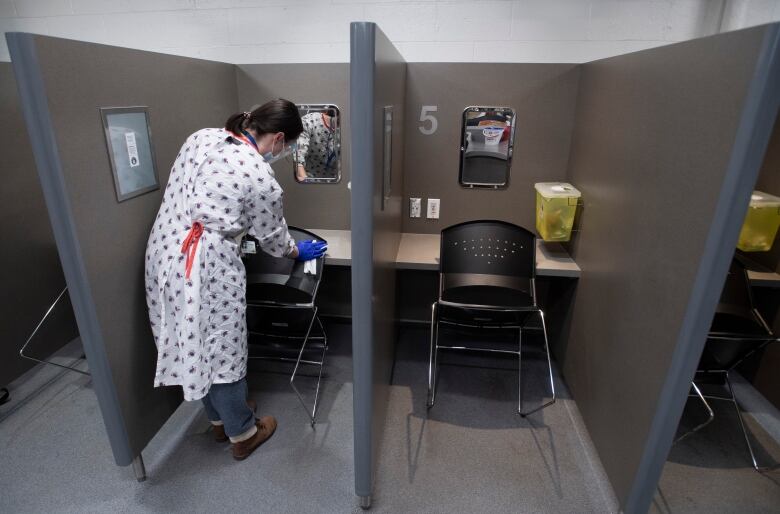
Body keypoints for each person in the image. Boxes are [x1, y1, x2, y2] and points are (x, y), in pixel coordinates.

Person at [144, 99, 327, 461]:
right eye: (287, 146)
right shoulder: (259, 175)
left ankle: (219, 419)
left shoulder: (201, 138)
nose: (285, 152)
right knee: (222, 349)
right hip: (206, 264)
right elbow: (273, 239)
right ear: (277, 138)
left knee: (192, 340)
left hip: (164, 250)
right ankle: (242, 432)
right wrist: (296, 252)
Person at [295, 110, 338, 182]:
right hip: (310, 178)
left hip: (340, 183)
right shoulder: (310, 121)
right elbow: (297, 156)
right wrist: (306, 181)